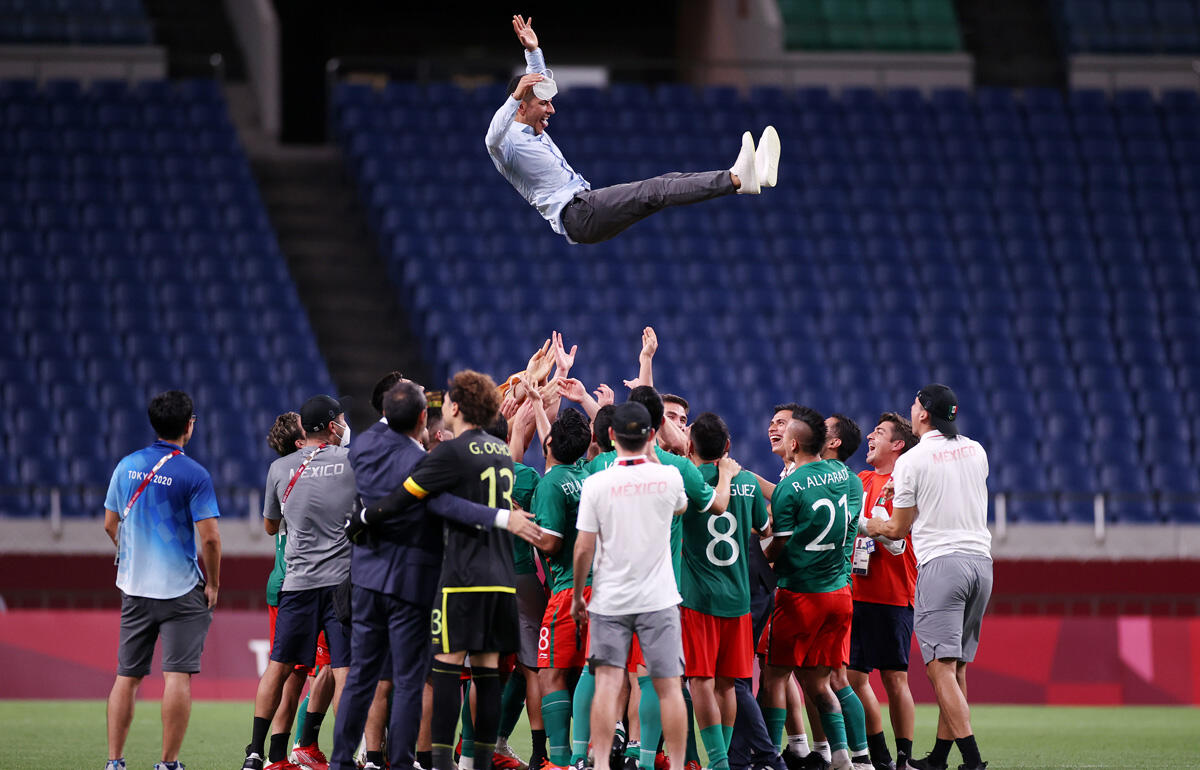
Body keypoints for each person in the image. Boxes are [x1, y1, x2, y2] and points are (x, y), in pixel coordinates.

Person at [333, 379, 539, 770]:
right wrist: (503, 517)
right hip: (436, 579)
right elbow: (448, 500)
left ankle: (347, 761)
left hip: (373, 577)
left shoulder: (364, 447)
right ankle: (419, 761)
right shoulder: (454, 458)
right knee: (429, 679)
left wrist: (362, 518)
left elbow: (427, 492)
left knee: (369, 675)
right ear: (423, 418)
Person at [486, 15, 781, 244]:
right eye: (543, 104)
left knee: (665, 185)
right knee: (658, 189)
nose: (551, 110)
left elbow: (536, 87)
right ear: (521, 107)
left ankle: (745, 179)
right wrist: (514, 96)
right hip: (579, 214)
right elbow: (491, 138)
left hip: (585, 210)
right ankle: (738, 179)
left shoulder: (529, 122)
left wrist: (533, 52)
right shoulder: (506, 142)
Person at [865, 386, 991, 770]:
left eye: (915, 404)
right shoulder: (976, 449)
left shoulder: (913, 460)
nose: (912, 407)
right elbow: (947, 493)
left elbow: (899, 528)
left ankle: (972, 761)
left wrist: (868, 523)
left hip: (942, 564)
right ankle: (938, 757)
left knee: (938, 669)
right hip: (981, 564)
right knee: (956, 668)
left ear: (923, 415)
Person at [103, 390, 220, 770]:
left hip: (135, 589)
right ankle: (168, 763)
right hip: (181, 590)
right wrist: (214, 585)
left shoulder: (126, 465)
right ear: (190, 425)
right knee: (177, 677)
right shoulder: (195, 474)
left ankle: (115, 762)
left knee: (127, 678)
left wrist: (131, 553)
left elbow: (109, 523)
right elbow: (211, 538)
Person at [571, 402, 690, 770]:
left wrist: (577, 596)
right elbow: (682, 508)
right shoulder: (669, 478)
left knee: (607, 684)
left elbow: (583, 548)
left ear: (609, 435)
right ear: (652, 435)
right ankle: (678, 761)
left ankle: (603, 763)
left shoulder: (596, 484)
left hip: (610, 598)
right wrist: (654, 460)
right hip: (659, 598)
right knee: (668, 686)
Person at [242, 395, 356, 770]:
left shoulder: (279, 468)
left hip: (297, 583)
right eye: (340, 419)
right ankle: (343, 756)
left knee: (278, 666)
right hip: (340, 583)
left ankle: (256, 753)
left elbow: (271, 526)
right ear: (332, 426)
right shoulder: (349, 461)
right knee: (343, 670)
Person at [759, 408, 864, 770]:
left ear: (793, 444)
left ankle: (769, 755)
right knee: (822, 682)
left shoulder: (790, 486)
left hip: (800, 595)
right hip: (839, 594)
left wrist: (763, 557)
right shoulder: (849, 478)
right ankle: (842, 756)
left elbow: (780, 546)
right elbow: (849, 528)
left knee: (774, 675)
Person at [679, 413, 771, 770]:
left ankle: (717, 762)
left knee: (700, 681)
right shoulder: (746, 481)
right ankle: (729, 760)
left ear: (690, 445)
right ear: (728, 447)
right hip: (739, 598)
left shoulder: (689, 480)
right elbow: (765, 531)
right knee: (728, 684)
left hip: (699, 597)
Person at [261, 412, 335, 770]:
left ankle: (279, 749)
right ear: (299, 443)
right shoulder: (311, 476)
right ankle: (286, 750)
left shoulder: (282, 474)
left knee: (303, 671)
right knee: (297, 674)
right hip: (304, 585)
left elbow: (269, 526)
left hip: (287, 584)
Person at [848, 413, 918, 770]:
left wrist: (870, 525)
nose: (870, 438)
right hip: (855, 590)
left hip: (893, 594)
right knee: (852, 678)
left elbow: (896, 538)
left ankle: (904, 758)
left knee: (894, 678)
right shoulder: (860, 479)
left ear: (897, 445)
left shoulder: (908, 483)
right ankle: (880, 756)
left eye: (879, 433)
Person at [530, 408, 594, 766]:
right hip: (599, 589)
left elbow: (551, 543)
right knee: (590, 672)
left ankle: (559, 758)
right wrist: (540, 406)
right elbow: (556, 446)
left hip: (568, 591)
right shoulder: (586, 473)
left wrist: (518, 522)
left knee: (550, 671)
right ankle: (587, 755)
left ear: (551, 443)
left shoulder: (550, 484)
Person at [818, 415, 872, 768]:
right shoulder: (853, 483)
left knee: (786, 675)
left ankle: (831, 752)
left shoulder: (817, 478)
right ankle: (859, 757)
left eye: (824, 428)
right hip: (841, 588)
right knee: (833, 677)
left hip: (812, 588)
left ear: (834, 442)